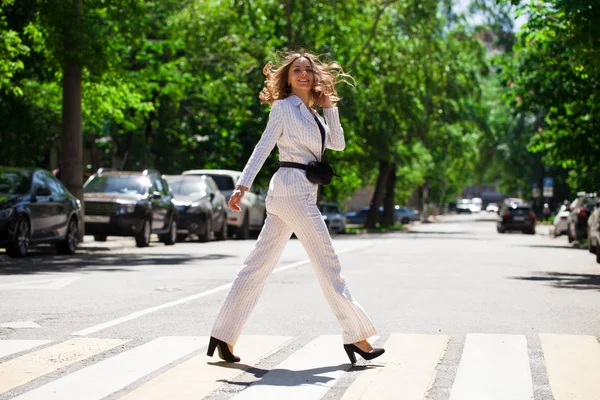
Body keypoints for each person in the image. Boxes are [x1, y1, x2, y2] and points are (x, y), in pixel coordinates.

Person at [207, 51, 384, 364]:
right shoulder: (284, 108)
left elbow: (338, 144)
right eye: (296, 70)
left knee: (257, 266)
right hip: (293, 192)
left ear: (315, 77)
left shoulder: (313, 114)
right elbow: (263, 145)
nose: (303, 74)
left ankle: (223, 333)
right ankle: (356, 336)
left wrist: (331, 109)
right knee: (329, 265)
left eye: (307, 70)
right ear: (287, 78)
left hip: (295, 193)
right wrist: (242, 185)